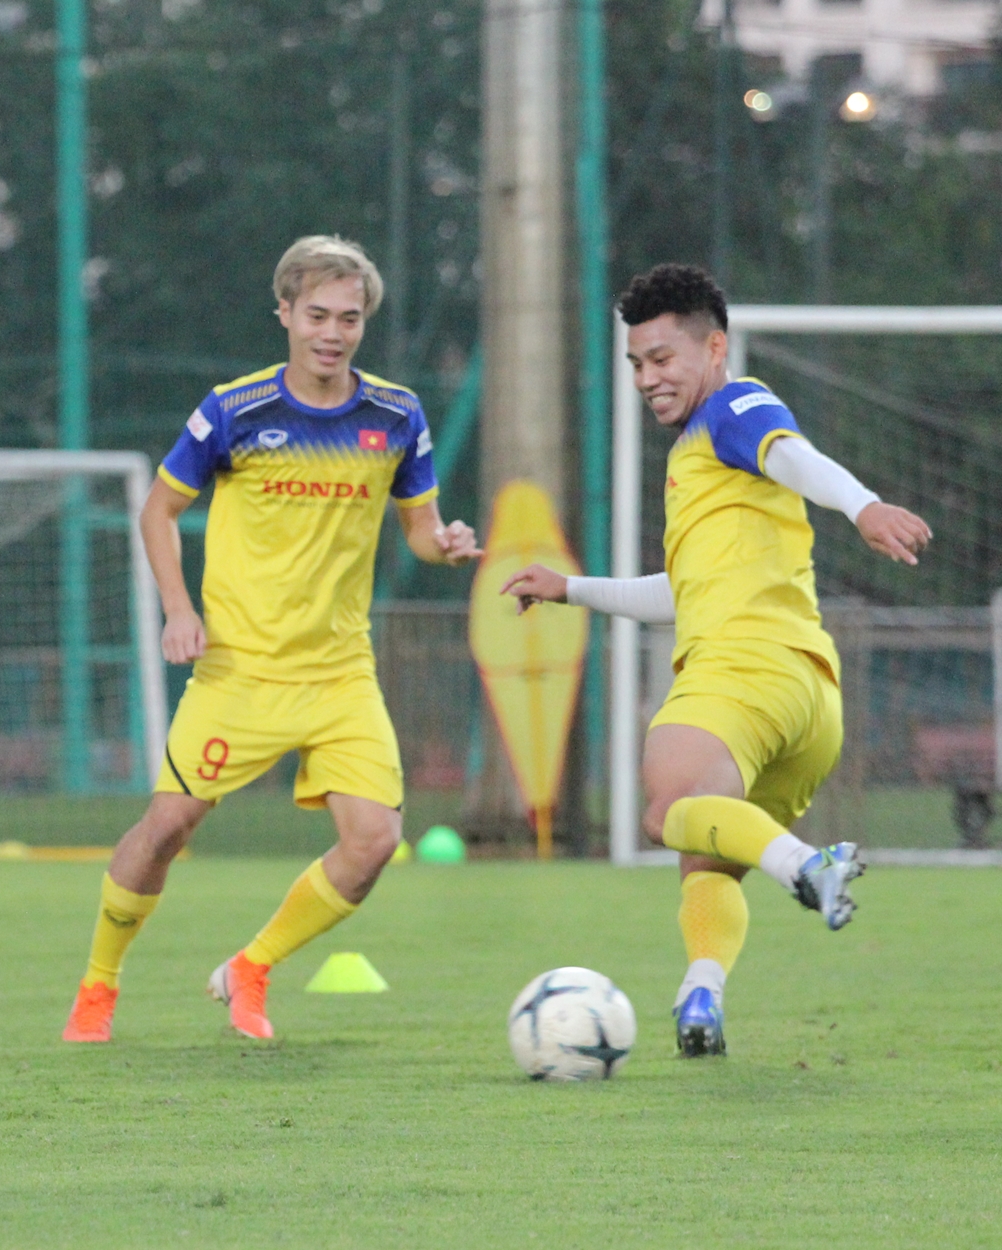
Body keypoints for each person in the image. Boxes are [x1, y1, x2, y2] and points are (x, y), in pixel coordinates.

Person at [60, 235, 482, 1044]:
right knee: (167, 829)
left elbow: (420, 530)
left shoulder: (396, 415)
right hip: (239, 672)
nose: (333, 333)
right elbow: (157, 511)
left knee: (374, 843)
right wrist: (178, 609)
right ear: (284, 312)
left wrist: (447, 543)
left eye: (349, 318)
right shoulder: (235, 409)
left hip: (340, 675)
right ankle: (98, 985)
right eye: (317, 315)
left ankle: (251, 967)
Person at [503, 263, 932, 1057]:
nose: (647, 379)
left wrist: (863, 505)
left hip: (742, 672)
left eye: (662, 358)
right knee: (707, 854)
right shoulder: (701, 463)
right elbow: (682, 592)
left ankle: (809, 866)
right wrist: (571, 588)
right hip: (809, 700)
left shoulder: (734, 408)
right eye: (636, 363)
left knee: (665, 810)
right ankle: (701, 995)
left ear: (714, 348)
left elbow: (793, 453)